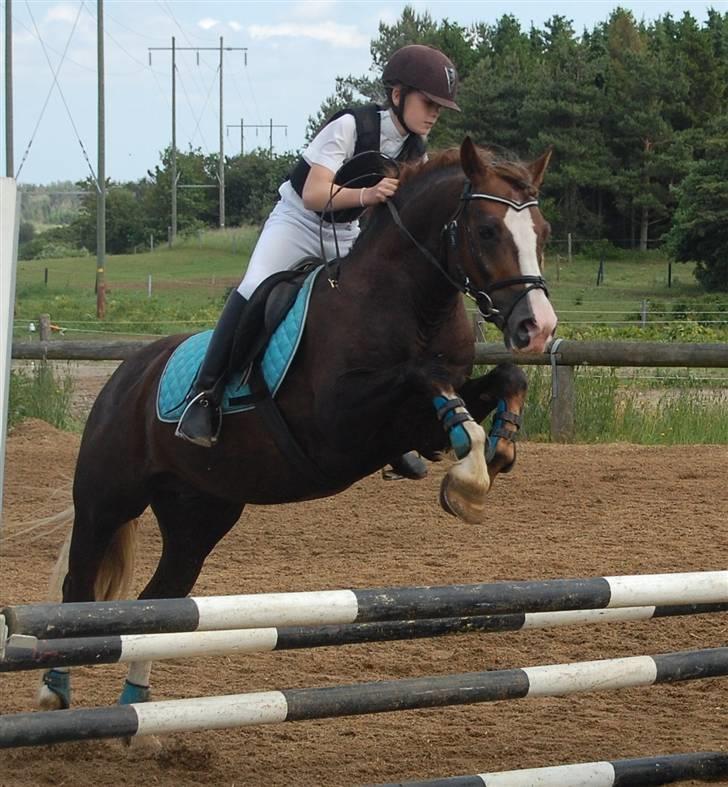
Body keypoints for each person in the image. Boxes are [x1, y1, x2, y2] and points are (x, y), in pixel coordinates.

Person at [176, 44, 460, 463]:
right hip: (297, 222)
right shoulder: (349, 126)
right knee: (255, 287)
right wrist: (367, 193)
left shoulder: (415, 150)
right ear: (397, 95)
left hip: (346, 231)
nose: (435, 113)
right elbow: (312, 193)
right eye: (428, 102)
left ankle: (383, 423)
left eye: (441, 106)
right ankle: (204, 395)